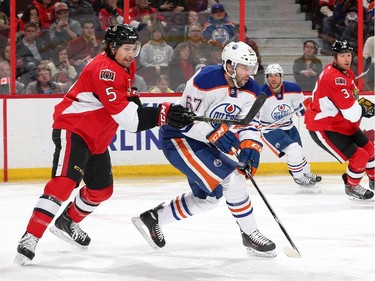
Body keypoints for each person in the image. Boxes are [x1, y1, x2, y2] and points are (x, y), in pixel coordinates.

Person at [14, 23, 194, 266]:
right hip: (74, 129)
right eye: (127, 48)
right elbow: (130, 121)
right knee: (63, 184)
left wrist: (154, 109)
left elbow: (127, 103)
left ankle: (68, 221)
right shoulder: (104, 71)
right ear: (112, 47)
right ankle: (31, 236)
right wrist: (164, 111)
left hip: (98, 136)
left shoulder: (125, 64)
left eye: (134, 48)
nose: (132, 54)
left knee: (101, 190)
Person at [132, 41, 277, 258]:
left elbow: (250, 124)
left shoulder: (252, 90)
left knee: (208, 198)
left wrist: (250, 149)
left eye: (251, 68)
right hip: (179, 138)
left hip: (202, 143)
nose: (249, 73)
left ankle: (154, 218)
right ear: (229, 65)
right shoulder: (204, 80)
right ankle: (250, 233)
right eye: (244, 68)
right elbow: (186, 120)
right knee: (233, 179)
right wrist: (216, 133)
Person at [304, 40, 374, 200]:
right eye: (342, 56)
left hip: (341, 123)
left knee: (370, 149)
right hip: (324, 127)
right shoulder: (334, 78)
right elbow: (352, 114)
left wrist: (360, 105)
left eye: (349, 55)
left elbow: (350, 99)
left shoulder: (346, 72)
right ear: (334, 58)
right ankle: (352, 185)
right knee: (360, 156)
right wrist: (363, 109)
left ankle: (373, 179)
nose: (347, 59)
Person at [260, 63, 321, 187]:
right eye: (270, 76)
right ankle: (298, 177)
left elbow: (300, 112)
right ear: (266, 78)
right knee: (294, 150)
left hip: (288, 126)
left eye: (276, 75)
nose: (273, 78)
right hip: (270, 129)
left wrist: (307, 106)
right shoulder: (260, 94)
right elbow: (253, 115)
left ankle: (306, 172)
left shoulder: (293, 89)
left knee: (299, 151)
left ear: (281, 76)